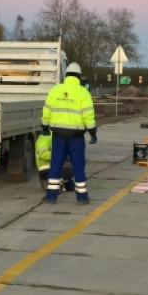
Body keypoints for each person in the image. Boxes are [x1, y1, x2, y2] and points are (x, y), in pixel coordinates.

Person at [41, 62, 97, 204]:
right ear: (79, 76)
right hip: (76, 137)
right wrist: (92, 132)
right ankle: (82, 197)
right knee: (78, 166)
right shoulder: (83, 92)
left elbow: (47, 110)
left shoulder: (55, 90)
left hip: (58, 136)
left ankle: (51, 196)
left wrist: (45, 127)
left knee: (56, 165)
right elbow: (88, 115)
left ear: (66, 75)